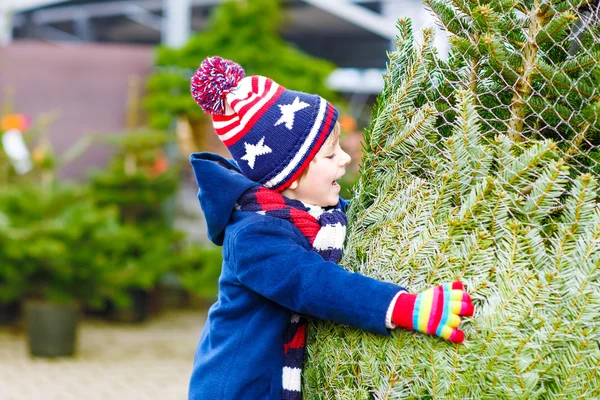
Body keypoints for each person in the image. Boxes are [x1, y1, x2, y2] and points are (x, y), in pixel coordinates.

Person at [188, 56, 474, 400]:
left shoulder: (312, 211)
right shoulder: (252, 236)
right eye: (329, 154)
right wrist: (404, 307)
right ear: (289, 176)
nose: (345, 158)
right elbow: (315, 284)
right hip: (238, 389)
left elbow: (354, 217)